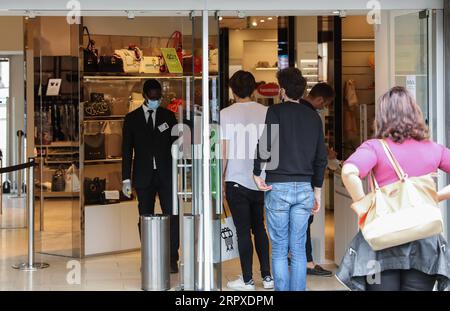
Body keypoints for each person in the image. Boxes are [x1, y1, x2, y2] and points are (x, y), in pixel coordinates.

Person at [337, 86, 450, 291]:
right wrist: (436, 197)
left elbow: (348, 173)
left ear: (382, 116)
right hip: (423, 241)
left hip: (380, 240)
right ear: (415, 114)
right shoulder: (434, 149)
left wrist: (365, 208)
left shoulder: (374, 147)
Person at [253, 67, 328, 291]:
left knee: (279, 248)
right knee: (297, 248)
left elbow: (265, 145)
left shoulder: (275, 112)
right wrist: (317, 192)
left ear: (283, 90)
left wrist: (257, 172)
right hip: (304, 188)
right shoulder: (314, 117)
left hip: (278, 186)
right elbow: (321, 159)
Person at [221, 70, 274, 291]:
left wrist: (220, 180)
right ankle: (268, 277)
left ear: (232, 90)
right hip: (261, 179)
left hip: (235, 179)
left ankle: (247, 280)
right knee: (259, 228)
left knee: (242, 230)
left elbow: (224, 151)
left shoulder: (225, 113)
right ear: (254, 89)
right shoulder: (267, 111)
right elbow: (272, 147)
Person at [122, 79, 180, 273]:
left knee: (171, 215)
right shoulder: (131, 119)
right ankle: (149, 256)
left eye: (158, 98)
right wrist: (125, 178)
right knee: (145, 216)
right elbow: (126, 151)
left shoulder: (169, 116)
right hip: (143, 175)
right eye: (152, 98)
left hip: (166, 174)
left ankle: (172, 258)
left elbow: (177, 146)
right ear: (145, 96)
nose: (155, 101)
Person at [302, 82, 337, 277]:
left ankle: (299, 258)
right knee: (305, 219)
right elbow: (315, 148)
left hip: (290, 175)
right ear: (320, 100)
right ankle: (307, 262)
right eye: (326, 104)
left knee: (298, 221)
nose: (325, 107)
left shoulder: (294, 109)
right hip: (306, 175)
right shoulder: (312, 116)